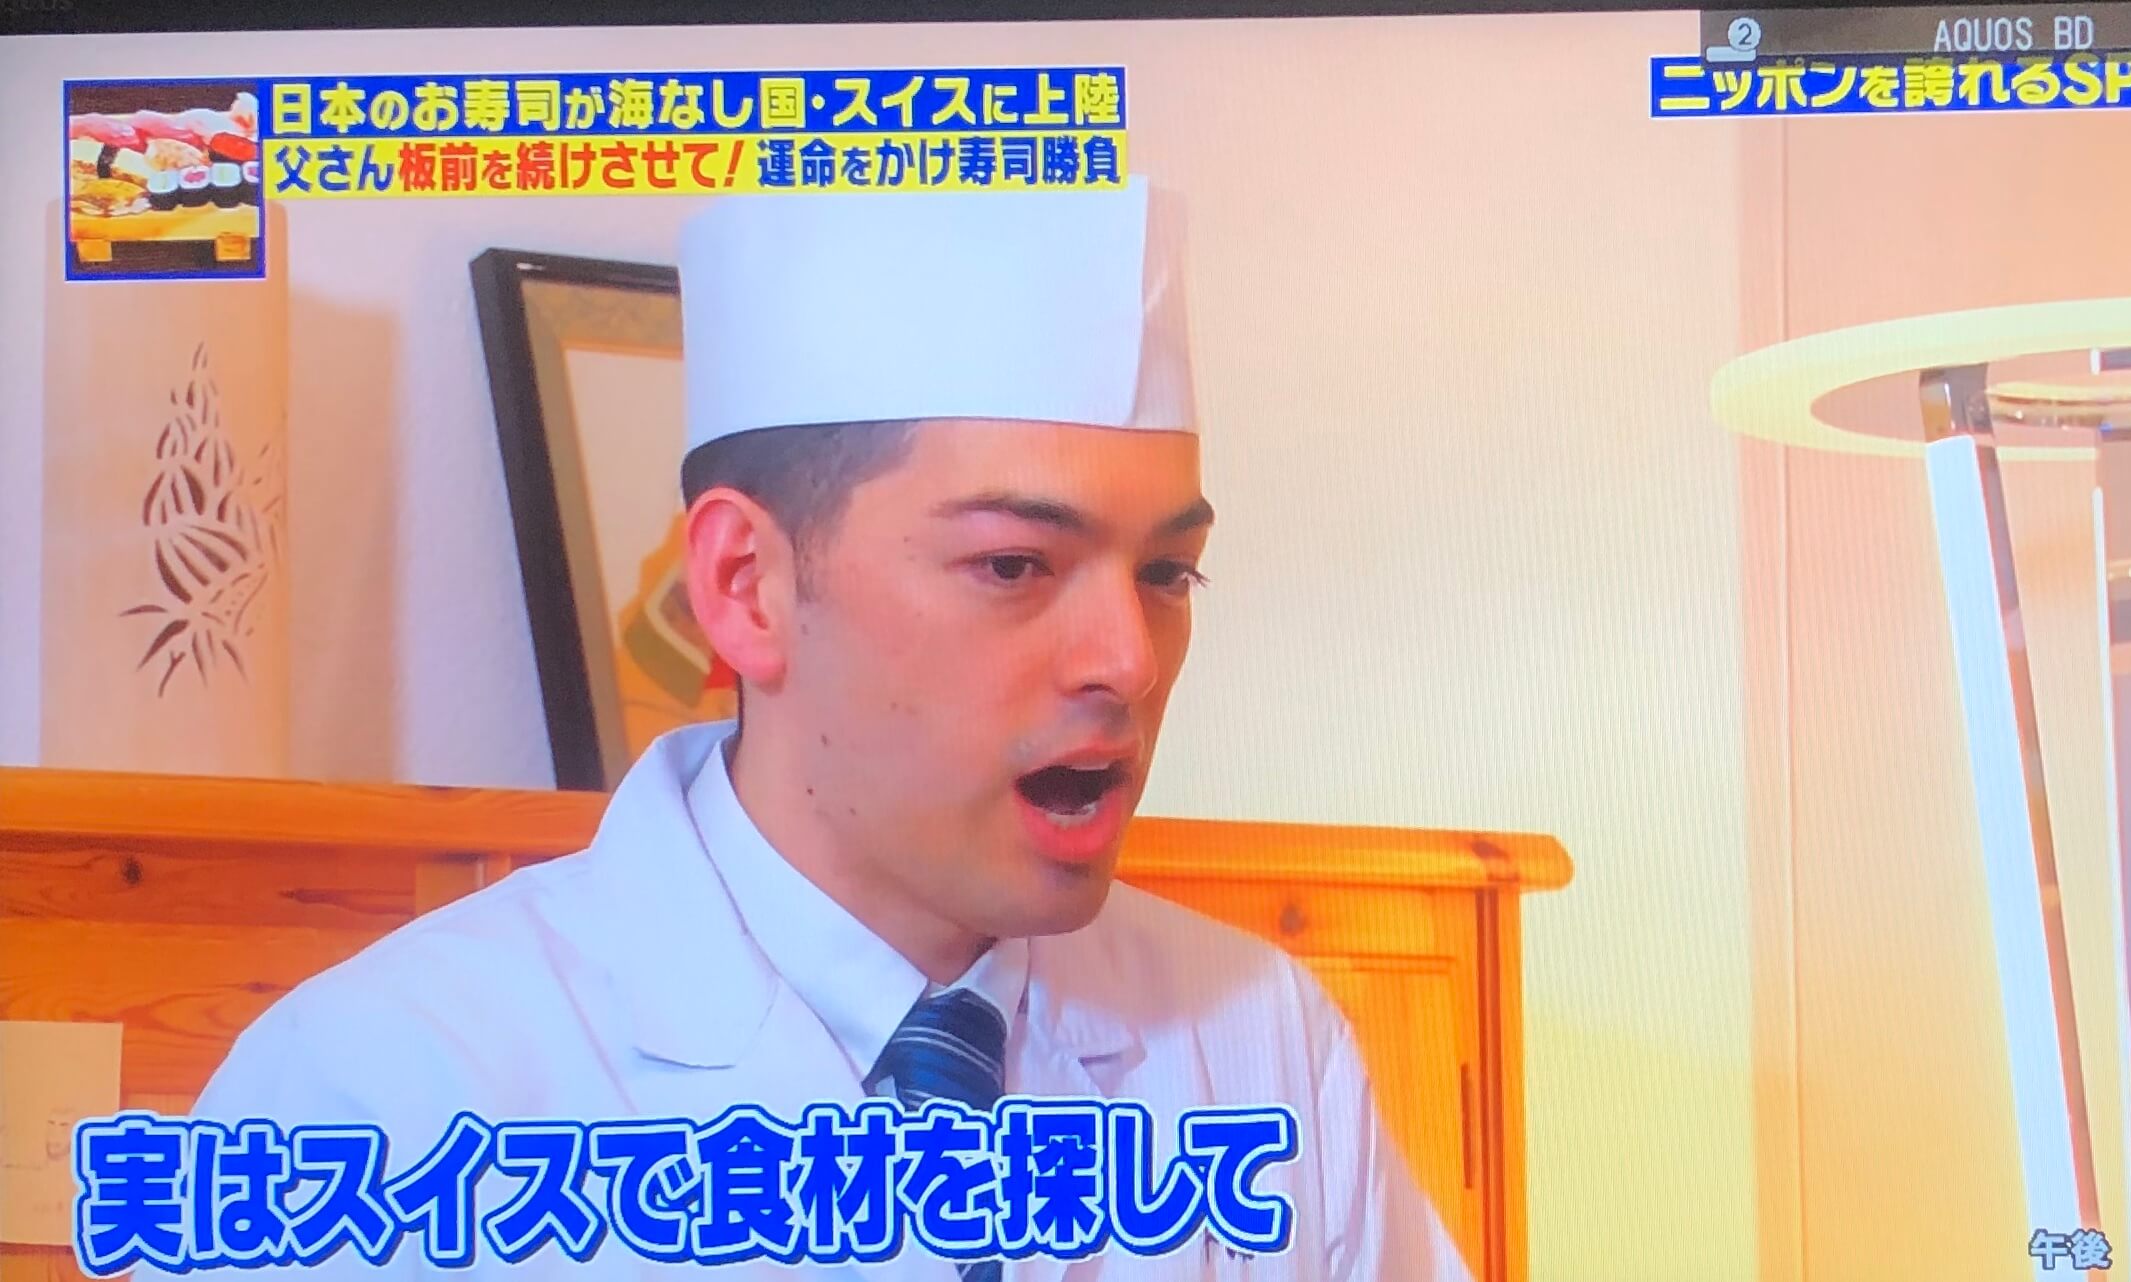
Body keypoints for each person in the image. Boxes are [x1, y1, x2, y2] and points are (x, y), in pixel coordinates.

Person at [178, 179, 1472, 1280]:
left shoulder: (1261, 1046)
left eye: (1166, 573)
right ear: (745, 585)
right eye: (1015, 566)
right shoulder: (381, 1092)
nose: (1128, 661)